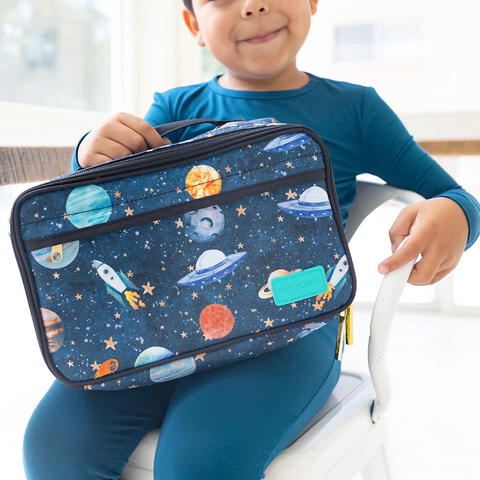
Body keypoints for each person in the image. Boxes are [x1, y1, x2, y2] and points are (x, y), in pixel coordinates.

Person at [23, 1, 480, 479]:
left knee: (201, 461)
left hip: (291, 326)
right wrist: (88, 156)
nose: (253, 5)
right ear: (194, 25)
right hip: (162, 323)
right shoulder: (174, 108)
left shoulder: (356, 108)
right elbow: (113, 210)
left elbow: (453, 194)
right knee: (52, 445)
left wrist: (455, 212)